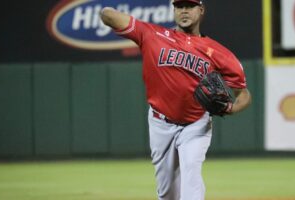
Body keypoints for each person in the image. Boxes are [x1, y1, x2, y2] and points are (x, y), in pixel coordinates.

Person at [100, 0, 251, 199]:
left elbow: (244, 94)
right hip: (160, 122)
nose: (184, 11)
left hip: (196, 124)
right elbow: (107, 15)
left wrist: (230, 107)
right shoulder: (152, 35)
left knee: (191, 175)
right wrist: (113, 15)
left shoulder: (220, 54)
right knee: (167, 192)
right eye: (179, 6)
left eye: (189, 6)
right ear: (173, 10)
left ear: (201, 10)